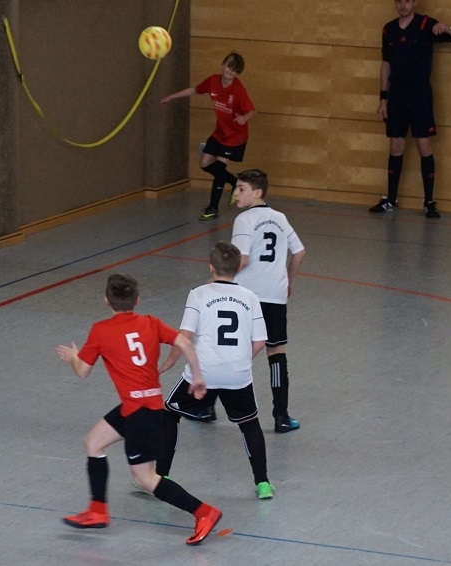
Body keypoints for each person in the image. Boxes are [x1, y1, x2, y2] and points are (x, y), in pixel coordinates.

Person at [55, 274, 222, 546]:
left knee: (145, 479)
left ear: (106, 300)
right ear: (137, 300)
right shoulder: (151, 323)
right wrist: (198, 377)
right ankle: (97, 510)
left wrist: (73, 357)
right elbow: (185, 342)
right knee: (93, 442)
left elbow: (83, 371)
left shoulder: (100, 330)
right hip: (140, 406)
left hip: (141, 414)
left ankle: (204, 512)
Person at [187, 170, 307, 433]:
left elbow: (241, 259)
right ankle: (281, 416)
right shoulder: (280, 218)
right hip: (275, 296)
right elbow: (299, 252)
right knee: (276, 353)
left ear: (257, 192)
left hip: (246, 296)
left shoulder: (245, 219)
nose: (236, 194)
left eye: (241, 189)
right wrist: (288, 281)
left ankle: (205, 406)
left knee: (226, 349)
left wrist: (214, 282)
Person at [157, 242, 274, 500]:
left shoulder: (198, 294)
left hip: (204, 372)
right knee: (249, 423)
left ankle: (160, 476)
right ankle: (263, 482)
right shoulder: (250, 297)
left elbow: (185, 336)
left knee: (170, 413)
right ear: (238, 268)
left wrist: (170, 361)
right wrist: (239, 359)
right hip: (237, 374)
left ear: (211, 267)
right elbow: (260, 341)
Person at [370, 0, 451, 219]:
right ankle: (391, 199)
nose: (403, 5)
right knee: (395, 145)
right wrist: (383, 98)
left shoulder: (426, 24)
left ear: (415, 2)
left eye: (407, 1)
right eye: (399, 1)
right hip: (397, 94)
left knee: (423, 145)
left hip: (420, 94)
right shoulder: (388, 29)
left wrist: (447, 29)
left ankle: (429, 202)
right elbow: (386, 64)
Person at [161, 52, 256, 221]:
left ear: (237, 74)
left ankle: (213, 207)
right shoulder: (212, 81)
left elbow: (252, 111)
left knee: (219, 168)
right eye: (229, 66)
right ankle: (235, 181)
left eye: (235, 70)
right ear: (223, 65)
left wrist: (244, 118)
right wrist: (171, 97)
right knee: (204, 164)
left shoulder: (238, 90)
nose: (230, 71)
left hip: (235, 136)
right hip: (220, 132)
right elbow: (195, 90)